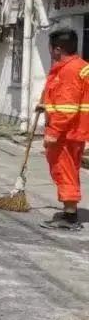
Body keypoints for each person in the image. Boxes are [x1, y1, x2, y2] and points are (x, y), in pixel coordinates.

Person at [37, 27, 89, 230]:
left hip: (66, 133)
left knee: (64, 171)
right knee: (69, 171)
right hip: (74, 131)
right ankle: (70, 210)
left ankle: (70, 218)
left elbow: (67, 108)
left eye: (50, 48)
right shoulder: (78, 66)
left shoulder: (68, 71)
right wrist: (45, 105)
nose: (50, 51)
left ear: (58, 49)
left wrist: (53, 133)